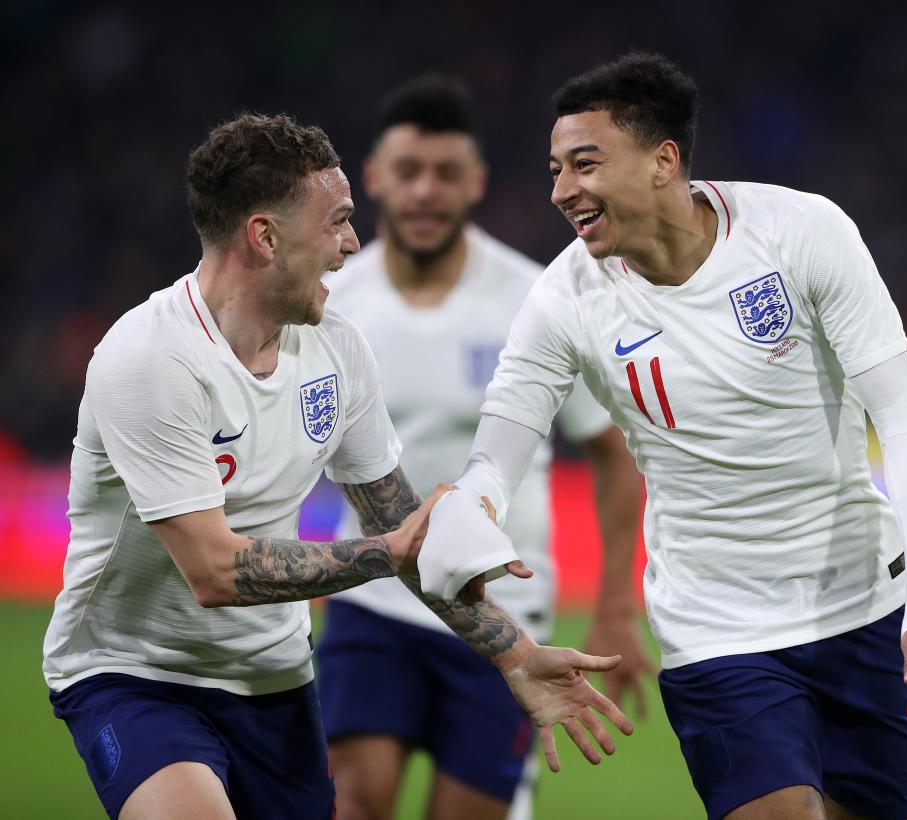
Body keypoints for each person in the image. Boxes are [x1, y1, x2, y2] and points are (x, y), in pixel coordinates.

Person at [422, 53, 907, 820]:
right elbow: (500, 449)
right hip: (713, 628)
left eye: (585, 164)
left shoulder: (803, 233)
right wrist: (471, 503)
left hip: (861, 606)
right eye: (554, 170)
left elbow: (905, 421)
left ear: (662, 161)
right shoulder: (565, 298)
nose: (561, 191)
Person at [41, 113, 631, 820]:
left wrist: (514, 654)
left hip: (276, 682)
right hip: (137, 675)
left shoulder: (338, 350)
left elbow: (399, 522)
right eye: (339, 222)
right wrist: (385, 554)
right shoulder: (150, 359)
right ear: (265, 236)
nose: (353, 243)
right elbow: (214, 571)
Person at [315, 75, 649, 820]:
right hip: (376, 603)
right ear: (372, 180)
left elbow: (612, 449)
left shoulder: (539, 298)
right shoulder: (332, 303)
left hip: (506, 609)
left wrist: (618, 605)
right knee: (349, 802)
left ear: (477, 184)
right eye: (408, 172)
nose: (426, 191)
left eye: (446, 173)